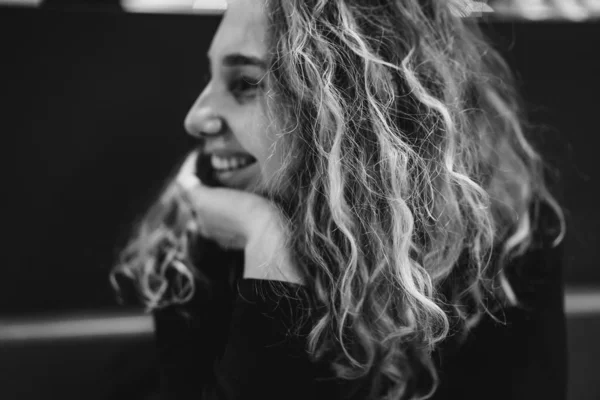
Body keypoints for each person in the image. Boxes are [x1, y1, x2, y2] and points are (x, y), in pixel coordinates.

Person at [110, 0, 568, 399]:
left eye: (246, 83)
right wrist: (268, 247)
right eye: (210, 78)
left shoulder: (505, 236)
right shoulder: (201, 227)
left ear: (350, 102)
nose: (197, 118)